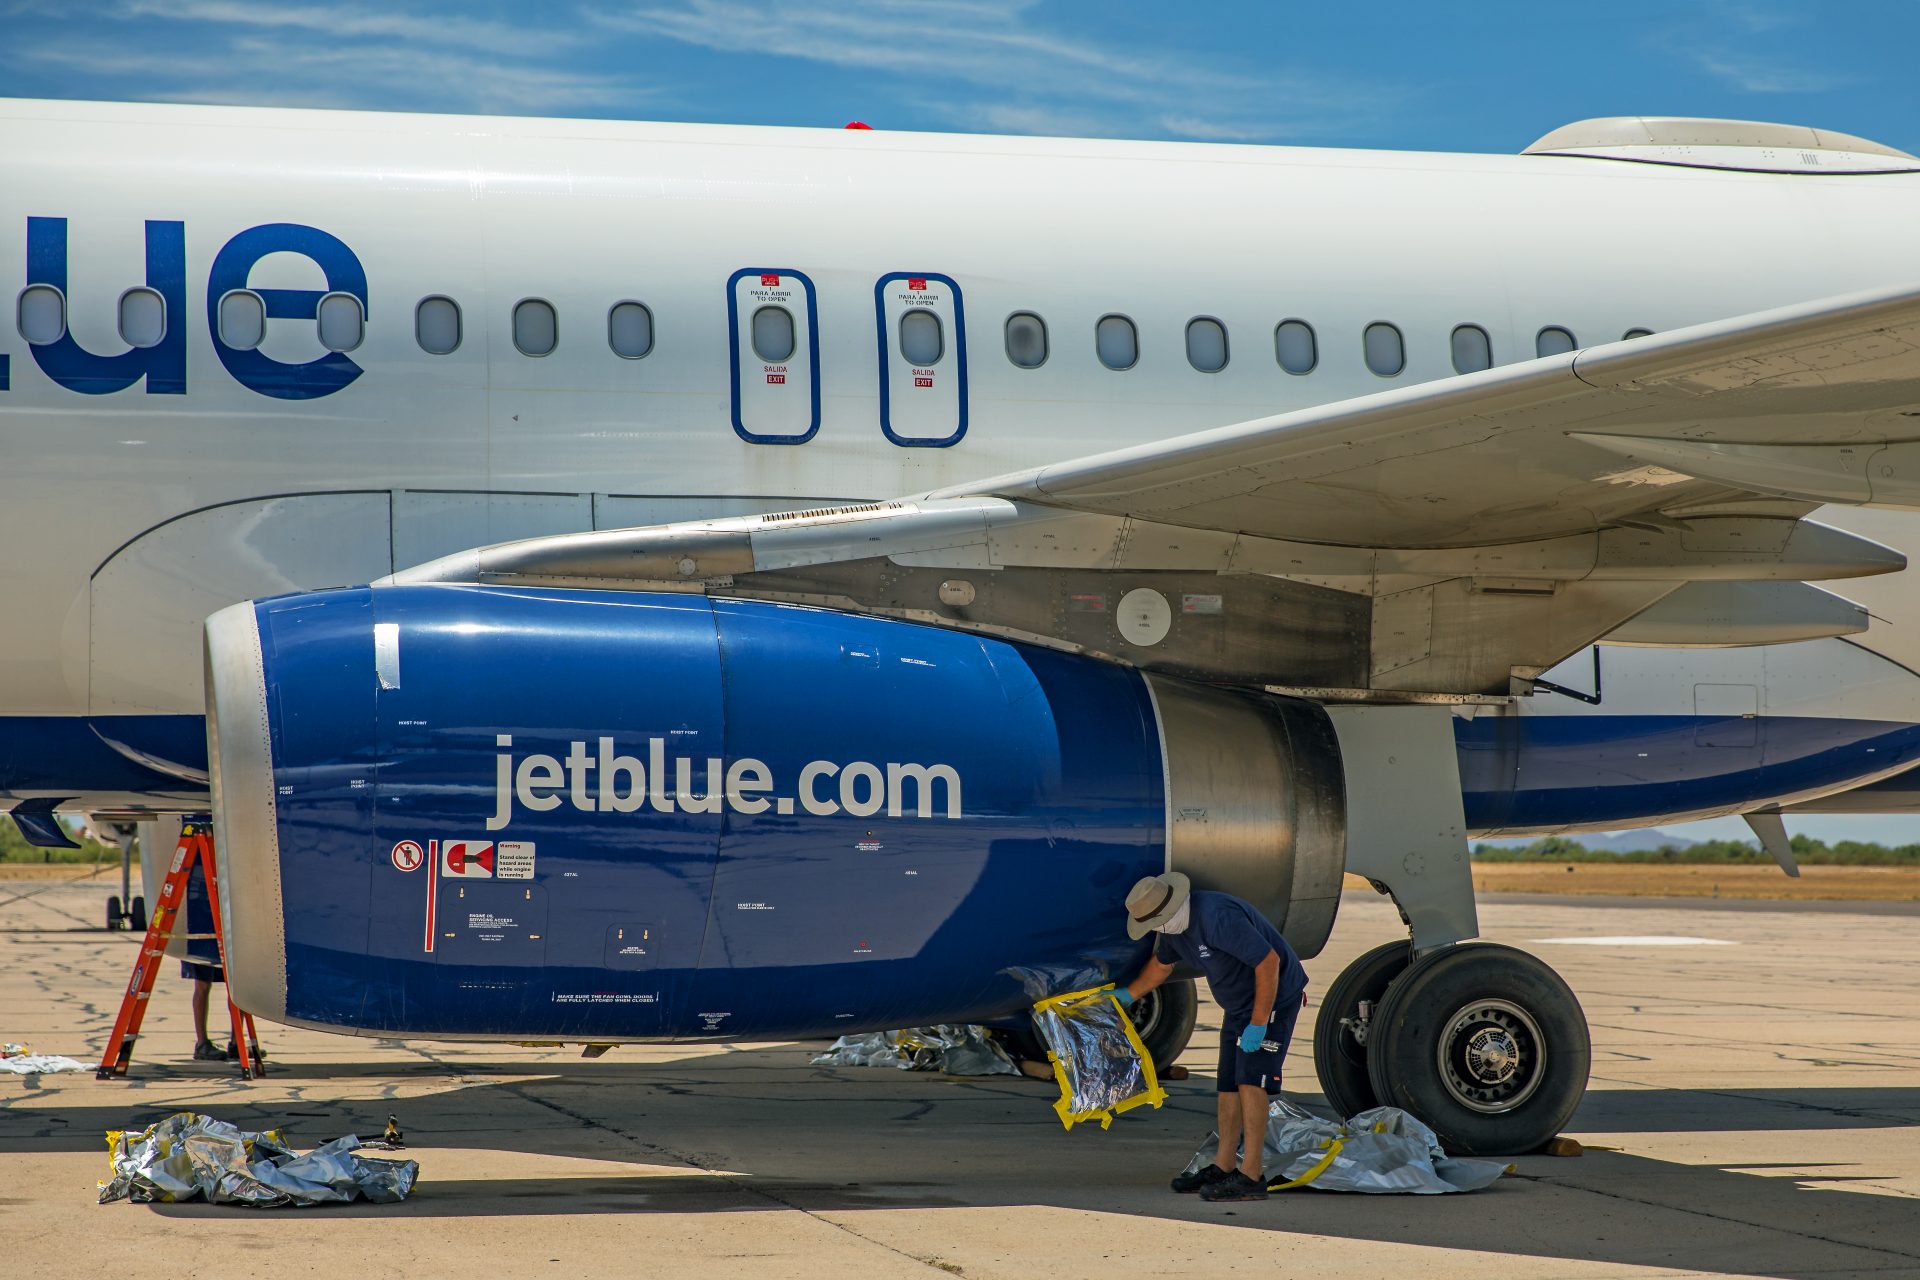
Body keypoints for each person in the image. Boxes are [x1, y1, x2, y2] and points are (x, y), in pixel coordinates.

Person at [1117, 871, 1308, 1203]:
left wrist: (1260, 1023)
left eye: (1155, 924)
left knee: (1251, 1081)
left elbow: (1268, 962)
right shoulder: (1174, 929)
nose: (1155, 931)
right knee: (1228, 1084)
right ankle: (1223, 1165)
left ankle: (1251, 1175)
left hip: (1272, 1001)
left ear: (1168, 912)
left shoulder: (1216, 918)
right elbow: (1161, 967)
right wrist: (1127, 996)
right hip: (1238, 1007)